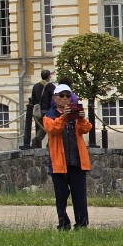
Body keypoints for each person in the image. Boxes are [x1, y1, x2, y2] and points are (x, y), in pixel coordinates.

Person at [42, 84, 93, 231]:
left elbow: (86, 129)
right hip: (59, 164)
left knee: (80, 197)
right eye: (62, 95)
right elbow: (53, 129)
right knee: (61, 197)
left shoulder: (75, 115)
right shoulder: (49, 116)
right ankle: (63, 224)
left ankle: (82, 224)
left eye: (68, 96)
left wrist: (82, 119)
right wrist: (64, 116)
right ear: (54, 98)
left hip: (77, 162)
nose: (65, 98)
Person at [29, 69, 55, 149]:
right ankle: (39, 142)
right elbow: (54, 99)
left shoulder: (36, 86)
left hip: (38, 112)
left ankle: (38, 144)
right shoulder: (51, 86)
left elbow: (33, 99)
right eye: (50, 75)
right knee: (50, 129)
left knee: (41, 128)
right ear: (48, 77)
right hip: (48, 111)